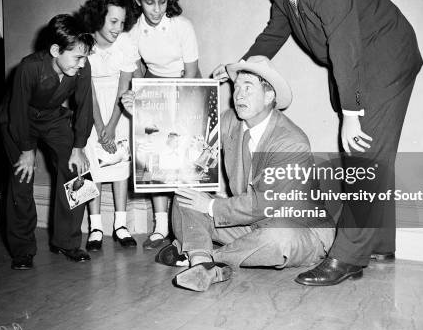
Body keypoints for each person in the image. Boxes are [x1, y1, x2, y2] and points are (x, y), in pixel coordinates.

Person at [213, 0, 423, 286]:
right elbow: (275, 32)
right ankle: (380, 244)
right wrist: (240, 69)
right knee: (368, 158)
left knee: (364, 156)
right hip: (361, 63)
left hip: (385, 61)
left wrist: (351, 113)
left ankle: (348, 258)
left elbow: (346, 48)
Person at [123, 56, 335, 292]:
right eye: (236, 87)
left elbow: (266, 204)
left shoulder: (291, 141)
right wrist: (142, 114)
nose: (238, 95)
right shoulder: (230, 121)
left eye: (248, 87)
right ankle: (203, 266)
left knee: (278, 237)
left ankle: (202, 256)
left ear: (269, 96)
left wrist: (212, 207)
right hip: (249, 226)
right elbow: (184, 136)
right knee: (186, 196)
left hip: (298, 228)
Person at [0, 14, 94, 270]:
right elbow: (18, 112)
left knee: (80, 174)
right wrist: (27, 151)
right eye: (77, 57)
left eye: (85, 57)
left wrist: (78, 147)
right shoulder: (29, 68)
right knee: (22, 178)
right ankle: (22, 250)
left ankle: (68, 241)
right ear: (55, 50)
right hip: (17, 122)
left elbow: (85, 107)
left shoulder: (81, 68)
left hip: (51, 118)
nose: (82, 64)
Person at [127, 0, 201, 249]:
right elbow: (135, 74)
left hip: (186, 85)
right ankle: (160, 227)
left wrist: (180, 109)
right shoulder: (133, 33)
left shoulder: (183, 26)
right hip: (153, 89)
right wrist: (144, 102)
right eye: (149, 2)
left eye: (162, 1)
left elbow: (192, 73)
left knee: (183, 156)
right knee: (155, 156)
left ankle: (185, 226)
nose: (157, 9)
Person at [78, 0, 141, 250]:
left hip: (119, 108)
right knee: (92, 167)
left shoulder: (125, 43)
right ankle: (95, 226)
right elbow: (87, 88)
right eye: (113, 21)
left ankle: (120, 224)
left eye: (122, 22)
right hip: (90, 110)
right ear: (99, 17)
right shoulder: (84, 43)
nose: (118, 28)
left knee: (119, 166)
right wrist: (99, 125)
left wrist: (113, 125)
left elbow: (125, 85)